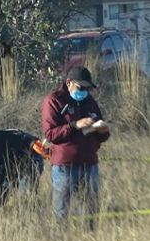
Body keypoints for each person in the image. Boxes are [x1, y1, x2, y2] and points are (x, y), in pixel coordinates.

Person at [42, 66, 109, 229]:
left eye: (87, 88)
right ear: (69, 83)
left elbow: (102, 136)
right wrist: (74, 125)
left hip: (90, 164)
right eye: (81, 87)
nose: (84, 91)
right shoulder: (53, 101)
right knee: (61, 212)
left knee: (90, 211)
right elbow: (50, 134)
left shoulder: (91, 102)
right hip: (65, 166)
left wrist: (103, 131)